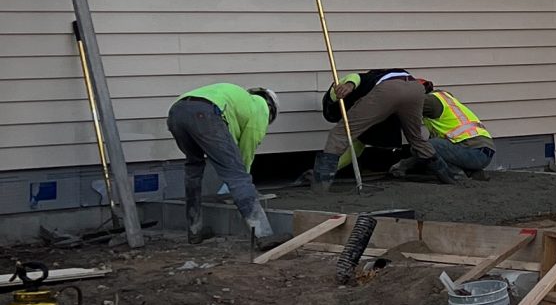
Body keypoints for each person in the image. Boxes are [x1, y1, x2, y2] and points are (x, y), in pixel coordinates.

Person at [167, 82, 281, 246]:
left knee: (194, 168)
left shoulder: (239, 100)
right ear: (272, 108)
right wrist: (242, 182)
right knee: (238, 176)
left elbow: (229, 140)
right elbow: (247, 148)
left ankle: (194, 230)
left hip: (176, 112)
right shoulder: (261, 108)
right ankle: (264, 235)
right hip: (206, 113)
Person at [311, 68, 450, 185]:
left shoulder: (363, 82)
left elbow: (356, 77)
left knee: (339, 133)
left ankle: (320, 186)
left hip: (389, 89)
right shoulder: (379, 78)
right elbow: (359, 143)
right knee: (416, 139)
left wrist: (349, 85)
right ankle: (451, 177)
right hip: (415, 88)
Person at [423, 87, 494, 179]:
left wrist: (404, 165)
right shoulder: (446, 100)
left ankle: (457, 173)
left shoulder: (430, 101)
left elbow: (409, 104)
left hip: (474, 151)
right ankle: (471, 172)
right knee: (433, 147)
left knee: (426, 146)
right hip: (483, 152)